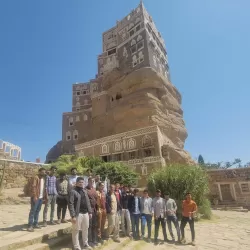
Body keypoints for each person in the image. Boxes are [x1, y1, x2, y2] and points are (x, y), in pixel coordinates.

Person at [68, 177, 92, 250]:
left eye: (82, 182)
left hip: (85, 213)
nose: (81, 183)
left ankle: (85, 244)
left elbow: (88, 202)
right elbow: (70, 204)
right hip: (77, 214)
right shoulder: (73, 191)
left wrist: (90, 211)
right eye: (80, 182)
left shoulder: (84, 191)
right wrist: (73, 215)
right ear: (76, 182)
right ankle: (76, 246)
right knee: (76, 230)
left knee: (85, 229)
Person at [27, 168, 47, 232]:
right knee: (33, 211)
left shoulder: (43, 179)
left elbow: (44, 188)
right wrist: (35, 196)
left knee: (38, 211)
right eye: (42, 172)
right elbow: (33, 187)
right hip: (36, 197)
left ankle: (35, 223)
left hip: (41, 197)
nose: (43, 173)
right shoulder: (36, 178)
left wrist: (44, 196)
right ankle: (30, 225)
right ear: (39, 172)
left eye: (44, 172)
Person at [86, 177, 98, 247]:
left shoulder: (94, 189)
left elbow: (96, 199)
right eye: (90, 181)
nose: (92, 182)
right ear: (88, 181)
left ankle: (94, 239)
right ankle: (89, 241)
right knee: (89, 226)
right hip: (89, 210)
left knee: (94, 225)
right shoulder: (85, 189)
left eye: (93, 181)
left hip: (95, 210)